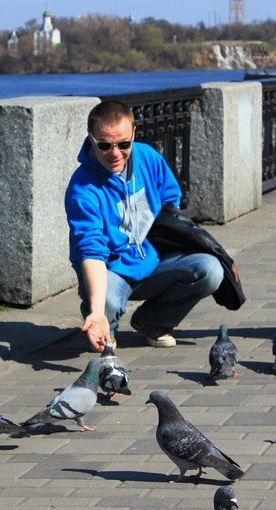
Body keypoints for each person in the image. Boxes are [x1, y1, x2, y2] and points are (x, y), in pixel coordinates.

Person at [65, 100, 223, 352]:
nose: (115, 153)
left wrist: (172, 240)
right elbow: (90, 249)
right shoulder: (82, 189)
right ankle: (105, 327)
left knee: (210, 270)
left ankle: (153, 322)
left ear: (134, 134)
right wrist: (96, 312)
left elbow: (170, 200)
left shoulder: (148, 157)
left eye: (123, 144)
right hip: (112, 270)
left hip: (153, 259)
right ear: (91, 139)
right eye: (104, 145)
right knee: (104, 302)